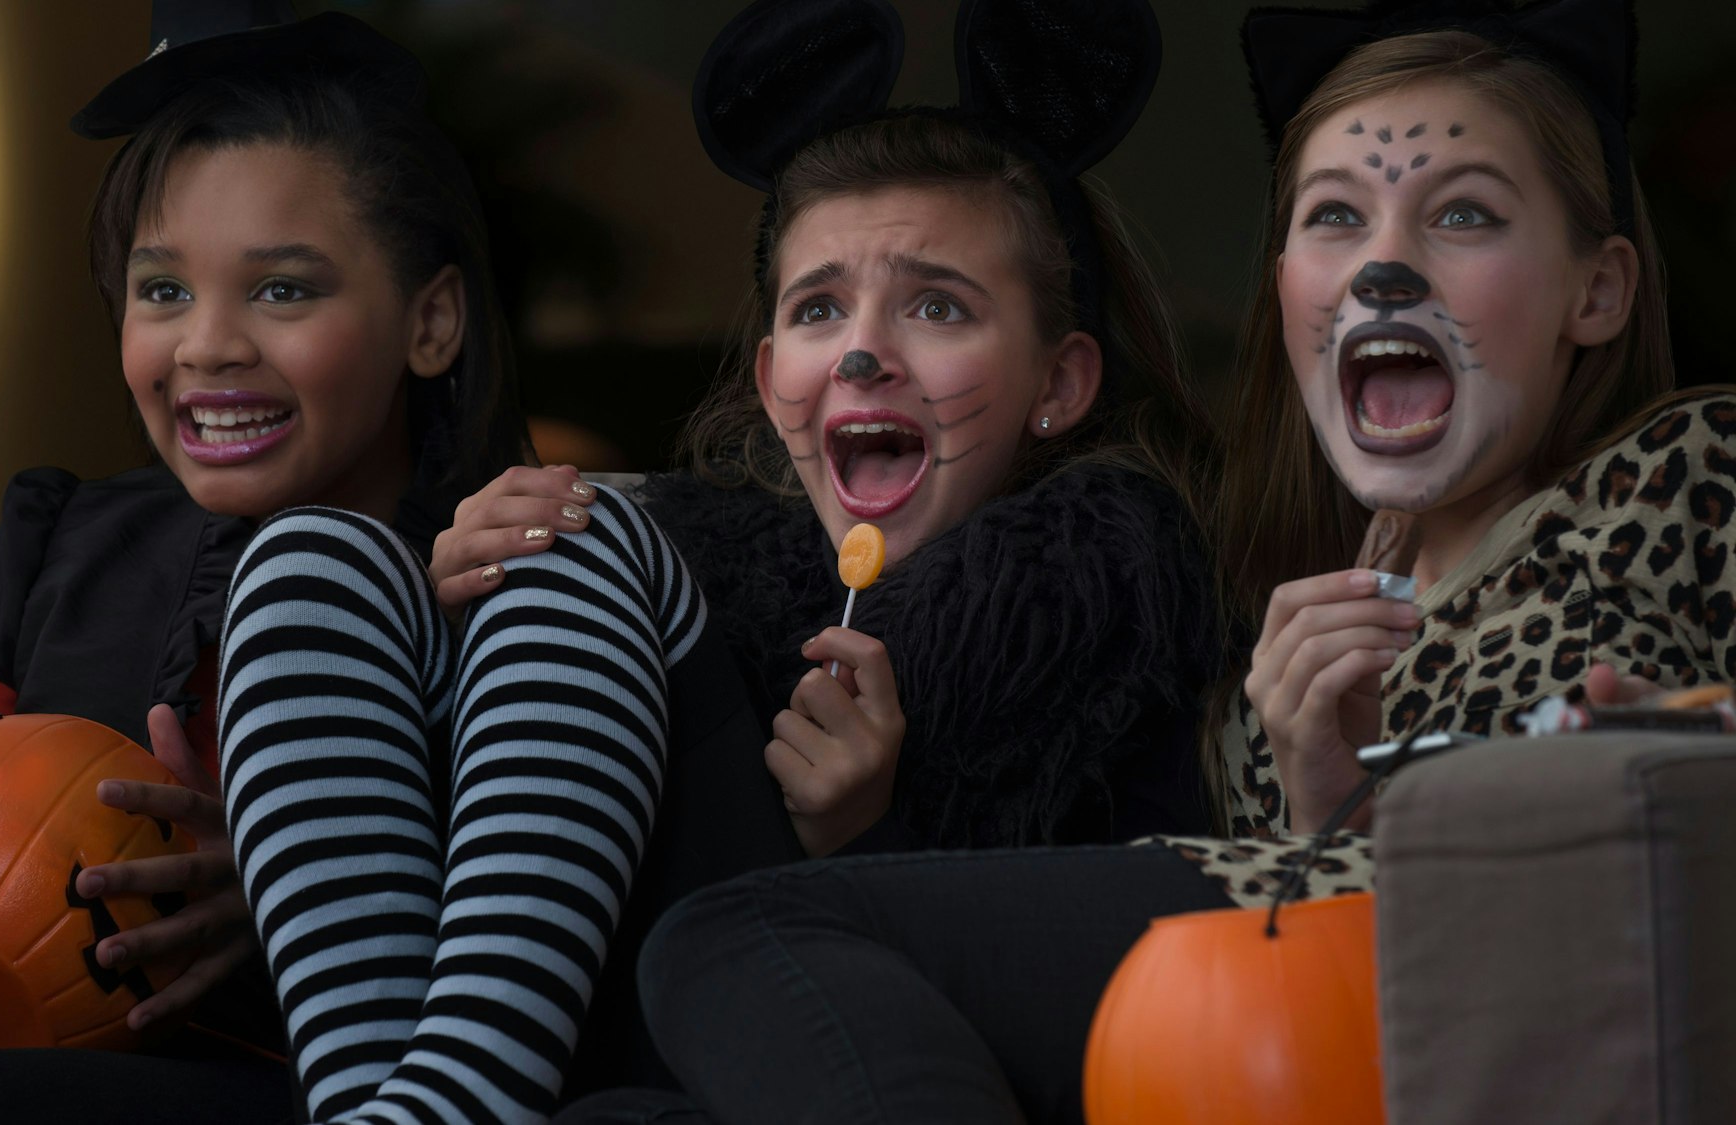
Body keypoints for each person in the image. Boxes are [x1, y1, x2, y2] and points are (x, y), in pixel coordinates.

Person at [609, 0, 1712, 1121]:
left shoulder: (1689, 466)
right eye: (1335, 217)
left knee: (745, 933)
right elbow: (1286, 966)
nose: (1381, 269)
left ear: (1599, 290)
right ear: (1282, 283)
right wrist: (1328, 797)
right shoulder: (1261, 638)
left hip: (1495, 1003)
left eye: (1463, 215)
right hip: (1289, 1028)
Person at [210, 0, 1234, 1119]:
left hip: (755, 1059)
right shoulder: (688, 561)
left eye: (936, 306)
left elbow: (1095, 1010)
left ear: (1059, 384)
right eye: (818, 308)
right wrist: (445, 630)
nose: (859, 352)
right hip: (542, 1032)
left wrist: (863, 836)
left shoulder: (1119, 619)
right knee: (314, 554)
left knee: (576, 527)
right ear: (766, 378)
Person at [0, 7, 526, 1124]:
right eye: (163, 290)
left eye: (282, 288)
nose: (206, 345)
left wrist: (294, 895)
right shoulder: (50, 548)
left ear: (430, 321)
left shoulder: (504, 583)